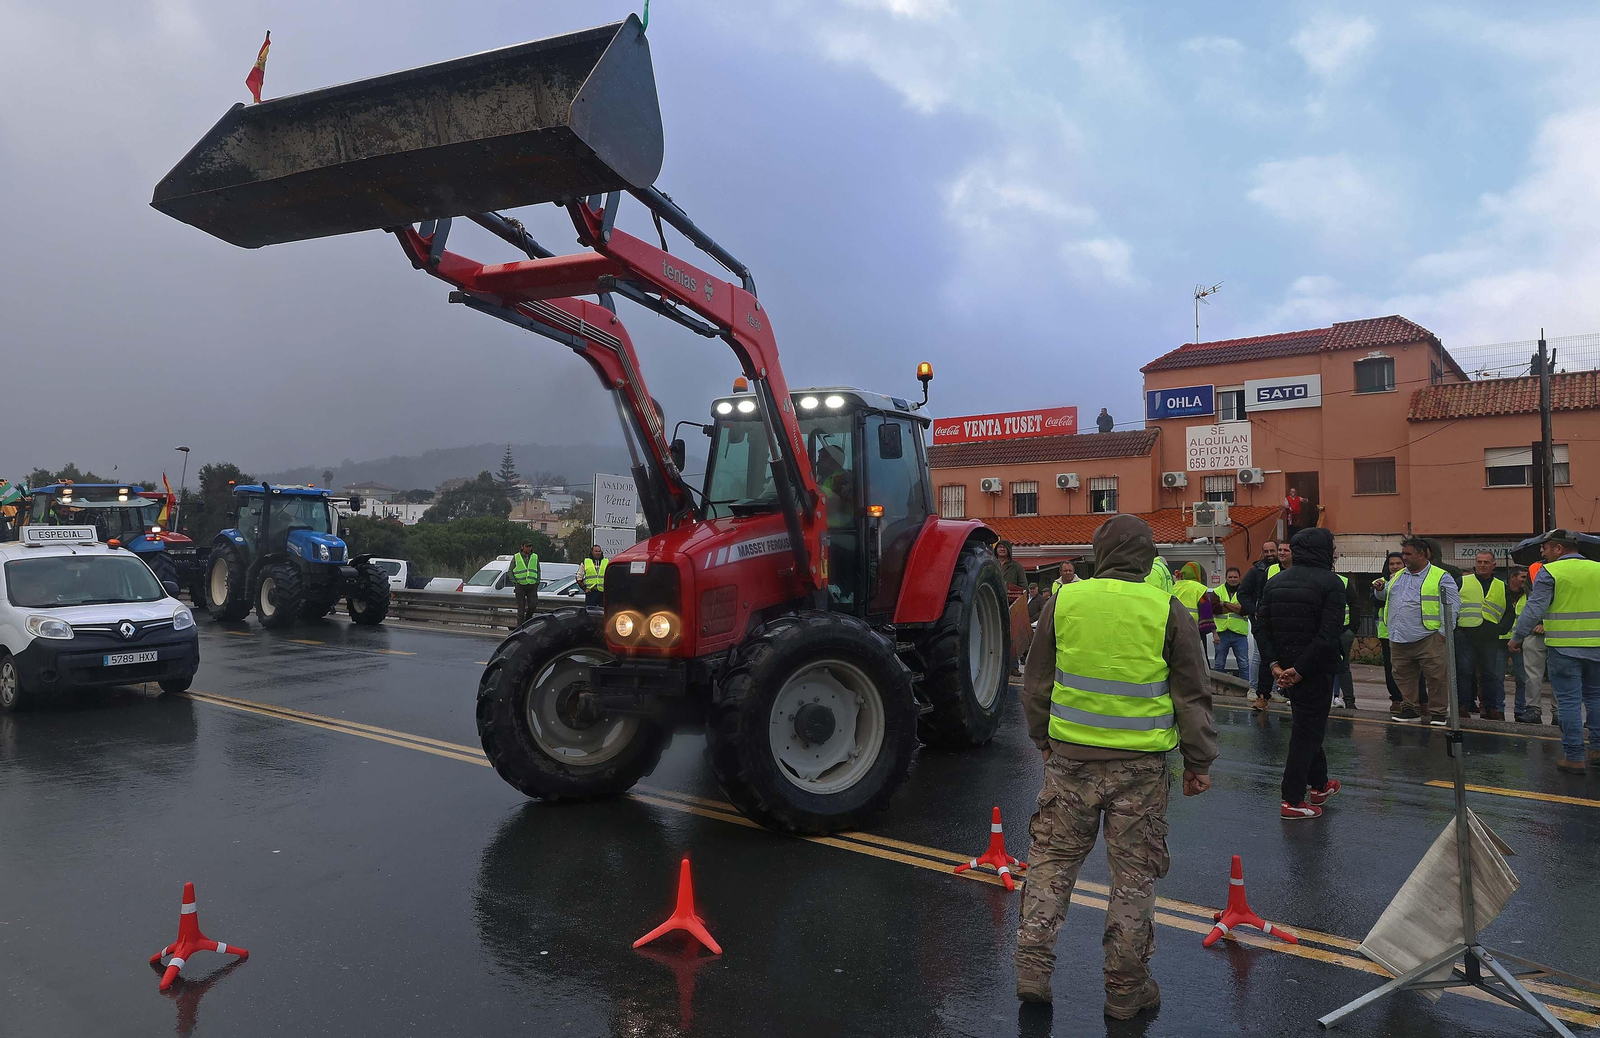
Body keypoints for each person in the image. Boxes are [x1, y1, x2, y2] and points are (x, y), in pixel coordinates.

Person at [1015, 514, 1216, 1017]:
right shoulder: (1164, 607)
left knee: (1051, 865)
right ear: (1148, 558)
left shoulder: (1065, 599)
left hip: (1070, 761)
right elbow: (1191, 693)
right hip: (1140, 768)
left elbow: (1036, 681)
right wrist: (1199, 761)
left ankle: (1032, 969)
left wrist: (1042, 739)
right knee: (1132, 879)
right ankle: (1125, 992)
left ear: (1098, 554)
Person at [1256, 528, 1348, 820]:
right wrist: (1300, 670)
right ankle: (1292, 798)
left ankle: (1319, 785)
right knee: (1306, 732)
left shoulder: (1275, 582)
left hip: (1286, 669)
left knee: (1309, 725)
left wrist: (1276, 666)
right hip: (1315, 669)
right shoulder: (1331, 583)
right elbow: (1329, 633)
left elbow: (1261, 627)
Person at [1510, 530, 1600, 773]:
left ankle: (1574, 756)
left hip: (1565, 648)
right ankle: (1598, 749)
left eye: (1546, 548)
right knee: (1596, 698)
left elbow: (1534, 608)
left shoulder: (1550, 572)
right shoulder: (1598, 569)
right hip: (1597, 647)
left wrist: (1517, 637)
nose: (1542, 552)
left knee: (1569, 702)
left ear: (1559, 549)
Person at [1375, 536, 1460, 725]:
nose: (1404, 558)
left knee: (1436, 677)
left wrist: (1444, 633)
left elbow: (1453, 606)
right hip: (1399, 637)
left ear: (1422, 554)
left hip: (1429, 637)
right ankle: (1410, 708)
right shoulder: (1397, 576)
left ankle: (1438, 712)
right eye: (1403, 553)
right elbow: (1386, 597)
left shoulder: (1441, 576)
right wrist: (1380, 590)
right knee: (1403, 675)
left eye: (1408, 554)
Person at [1457, 550, 1509, 719]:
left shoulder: (1501, 586)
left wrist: (1501, 629)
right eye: (1479, 562)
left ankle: (1490, 708)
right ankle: (1463, 706)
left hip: (1489, 636)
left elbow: (1510, 612)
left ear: (1493, 565)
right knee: (1465, 671)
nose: (1482, 565)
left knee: (1489, 674)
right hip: (1465, 633)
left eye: (1486, 562)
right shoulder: (1462, 581)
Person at [1238, 539, 1279, 711]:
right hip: (1261, 621)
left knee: (1276, 656)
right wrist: (1254, 611)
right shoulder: (1256, 571)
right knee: (1259, 655)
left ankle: (1273, 690)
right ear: (1262, 553)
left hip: (1279, 620)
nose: (1270, 554)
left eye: (1273, 551)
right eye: (1266, 551)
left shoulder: (1283, 569)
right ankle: (1254, 689)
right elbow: (1243, 594)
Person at [1502, 567, 1535, 722]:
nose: (1524, 580)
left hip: (1520, 642)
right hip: (1500, 639)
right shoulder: (1502, 592)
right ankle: (1497, 709)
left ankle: (1520, 710)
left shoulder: (1529, 594)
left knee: (1522, 678)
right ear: (1513, 577)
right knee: (1496, 677)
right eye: (1522, 577)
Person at [1374, 552, 1408, 708]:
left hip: (1409, 631)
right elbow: (1376, 601)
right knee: (1391, 668)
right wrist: (1381, 589)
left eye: (1398, 563)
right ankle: (1396, 698)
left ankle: (1417, 700)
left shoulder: (1411, 581)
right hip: (1387, 633)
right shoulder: (1380, 582)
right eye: (1392, 564)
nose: (1395, 566)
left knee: (1411, 667)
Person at [1212, 566, 1249, 683]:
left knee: (1244, 665)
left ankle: (1247, 688)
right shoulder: (1217, 591)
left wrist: (1225, 603)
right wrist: (1236, 608)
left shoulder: (1245, 591)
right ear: (1226, 578)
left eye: (1235, 577)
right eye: (1230, 577)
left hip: (1239, 633)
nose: (1233, 579)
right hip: (1221, 633)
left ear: (1240, 578)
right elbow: (1214, 609)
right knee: (1219, 664)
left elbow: (1246, 610)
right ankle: (1218, 689)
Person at [1333, 570, 1360, 710]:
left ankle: (1349, 700)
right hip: (1322, 631)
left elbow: (1355, 605)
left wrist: (1352, 629)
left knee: (1343, 666)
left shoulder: (1344, 581)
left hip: (1343, 631)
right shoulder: (1313, 580)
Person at [510, 540, 541, 626]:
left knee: (532, 606)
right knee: (521, 610)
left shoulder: (535, 556)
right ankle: (519, 628)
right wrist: (515, 582)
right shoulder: (516, 557)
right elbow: (510, 571)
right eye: (527, 546)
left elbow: (538, 570)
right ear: (522, 547)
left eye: (530, 546)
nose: (529, 548)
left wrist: (537, 581)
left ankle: (527, 623)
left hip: (532, 585)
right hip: (520, 585)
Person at [581, 544, 609, 608]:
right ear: (592, 552)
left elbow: (611, 577)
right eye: (596, 551)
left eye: (599, 551)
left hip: (602, 593)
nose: (598, 553)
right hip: (591, 592)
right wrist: (584, 589)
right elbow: (579, 577)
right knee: (590, 613)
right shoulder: (586, 562)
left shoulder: (606, 562)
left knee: (603, 613)